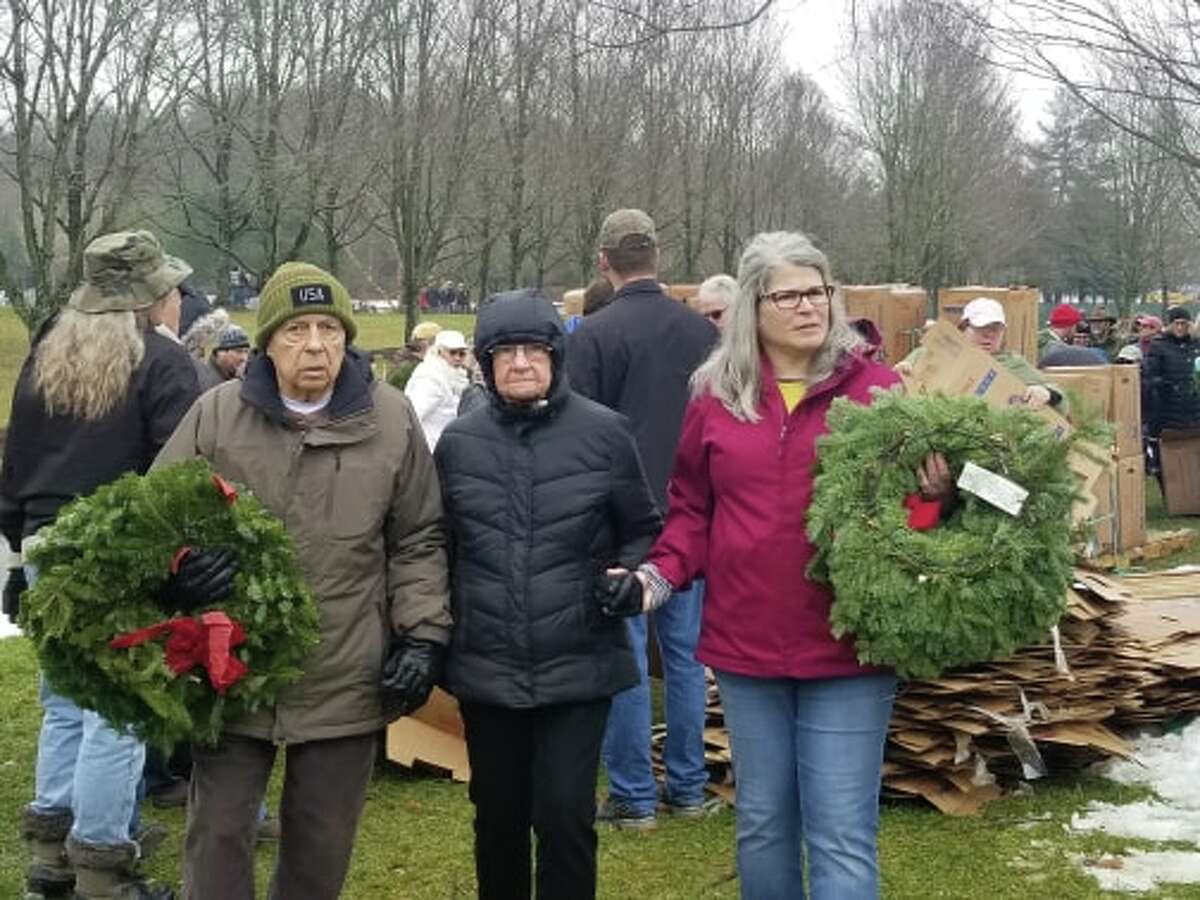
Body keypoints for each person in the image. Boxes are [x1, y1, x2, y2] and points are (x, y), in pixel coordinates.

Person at [631, 230, 928, 898]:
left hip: (848, 645)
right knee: (763, 824)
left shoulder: (878, 390)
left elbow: (913, 514)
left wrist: (932, 496)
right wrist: (660, 574)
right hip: (746, 647)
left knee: (841, 831)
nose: (808, 306)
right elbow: (692, 508)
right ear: (752, 307)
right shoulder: (716, 395)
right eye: (787, 296)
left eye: (817, 291)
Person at [153, 261, 451, 900]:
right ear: (267, 341)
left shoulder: (391, 419)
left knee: (321, 844)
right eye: (296, 330)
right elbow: (155, 517)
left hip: (344, 669)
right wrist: (179, 570)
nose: (315, 345)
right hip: (234, 669)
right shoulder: (217, 415)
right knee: (218, 835)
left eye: (328, 329)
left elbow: (419, 537)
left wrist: (423, 635)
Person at [436, 289, 661, 899]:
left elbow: (644, 528)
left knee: (565, 816)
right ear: (484, 363)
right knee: (497, 818)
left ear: (556, 357)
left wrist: (630, 576)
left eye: (534, 350)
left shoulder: (605, 433)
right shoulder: (458, 444)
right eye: (504, 352)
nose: (520, 363)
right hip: (488, 660)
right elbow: (438, 544)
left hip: (578, 660)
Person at [1, 230, 200, 900]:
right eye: (171, 289)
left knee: (64, 704)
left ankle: (50, 857)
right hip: (120, 553)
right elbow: (179, 471)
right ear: (152, 298)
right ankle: (101, 866)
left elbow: (16, 460)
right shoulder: (163, 362)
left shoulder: (49, 350)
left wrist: (15, 559)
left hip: (44, 546)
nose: (177, 299)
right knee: (119, 714)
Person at [567, 209, 718, 829]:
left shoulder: (592, 336)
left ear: (603, 262)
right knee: (685, 658)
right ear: (659, 257)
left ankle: (633, 795)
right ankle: (687, 787)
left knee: (624, 656)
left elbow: (576, 435)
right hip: (691, 514)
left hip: (617, 521)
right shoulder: (703, 333)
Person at [898, 298, 1067, 413]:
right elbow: (891, 393)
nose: (989, 335)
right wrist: (900, 377)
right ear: (964, 328)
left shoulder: (1013, 363)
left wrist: (1047, 393)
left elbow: (1062, 401)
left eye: (996, 329)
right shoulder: (930, 353)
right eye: (981, 328)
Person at [405, 329, 471, 449]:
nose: (457, 358)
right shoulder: (431, 377)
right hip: (429, 447)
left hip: (447, 443)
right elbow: (413, 416)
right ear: (440, 351)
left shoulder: (456, 375)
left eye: (462, 353)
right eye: (452, 352)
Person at [1144, 306, 1200, 441]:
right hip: (1168, 411)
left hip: (1195, 410)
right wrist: (1163, 384)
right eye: (1176, 324)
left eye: (1183, 323)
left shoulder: (1196, 345)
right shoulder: (1158, 346)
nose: (1180, 328)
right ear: (1170, 325)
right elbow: (1149, 376)